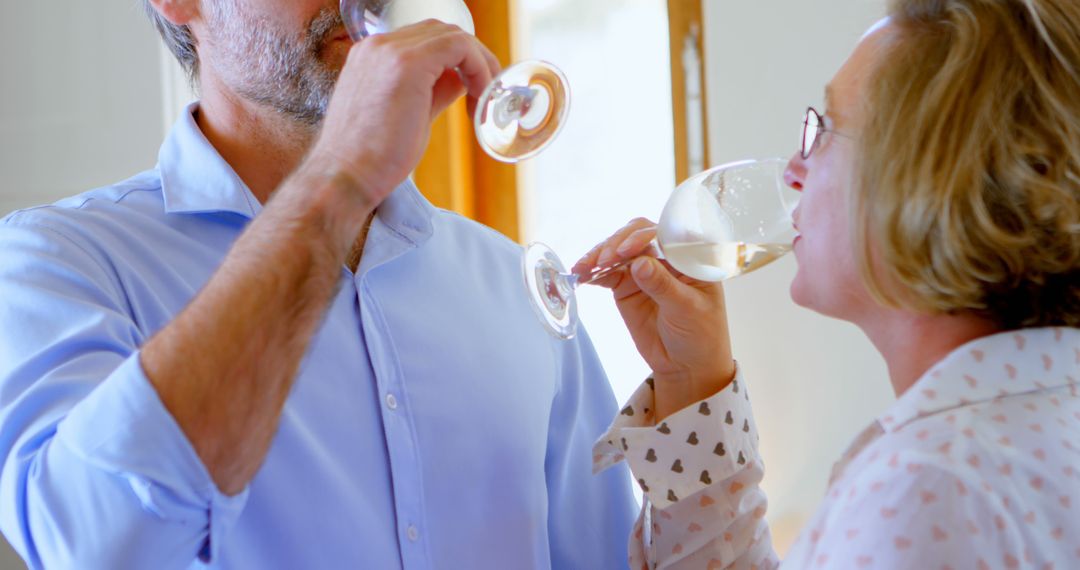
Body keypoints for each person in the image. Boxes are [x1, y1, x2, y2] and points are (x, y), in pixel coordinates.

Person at [0, 1, 637, 568]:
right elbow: (92, 546)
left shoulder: (518, 286)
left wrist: (700, 392)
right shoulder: (56, 263)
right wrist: (337, 178)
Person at [578, 0, 1080, 568]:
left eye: (827, 128)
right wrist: (693, 382)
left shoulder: (931, 485)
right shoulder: (1036, 421)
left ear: (928, 178)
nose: (793, 166)